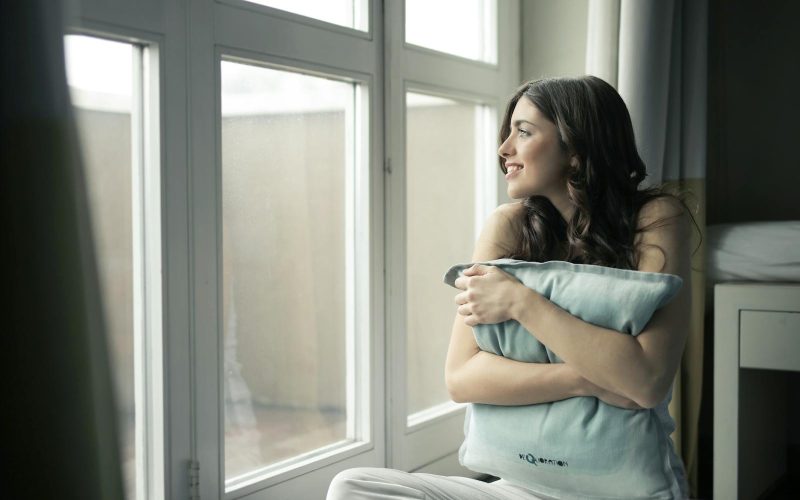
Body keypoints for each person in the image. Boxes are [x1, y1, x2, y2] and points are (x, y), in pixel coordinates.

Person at [326, 75, 697, 500]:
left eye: (523, 132)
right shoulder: (508, 225)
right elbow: (462, 378)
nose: (504, 149)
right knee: (352, 487)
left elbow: (646, 381)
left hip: (625, 491)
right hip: (519, 488)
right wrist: (587, 379)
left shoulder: (656, 218)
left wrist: (521, 302)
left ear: (575, 151)